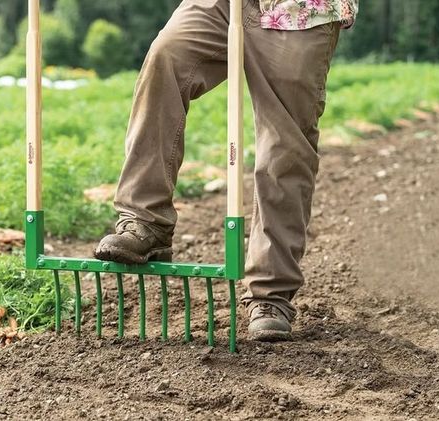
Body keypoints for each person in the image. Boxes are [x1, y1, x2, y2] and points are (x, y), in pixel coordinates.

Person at [94, 0, 358, 342]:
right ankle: (146, 221)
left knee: (285, 143)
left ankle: (271, 293)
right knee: (167, 56)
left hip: (300, 9)